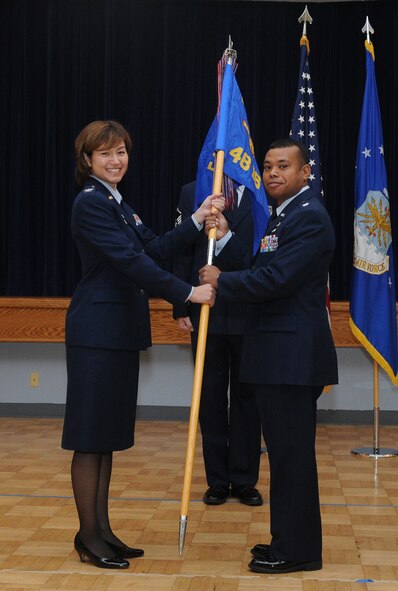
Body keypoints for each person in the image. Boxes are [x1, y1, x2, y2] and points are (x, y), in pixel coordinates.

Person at [61, 120, 224, 569]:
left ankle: (102, 531)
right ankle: (88, 537)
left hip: (117, 333)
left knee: (107, 437)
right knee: (89, 437)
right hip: (97, 333)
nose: (116, 161)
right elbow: (132, 262)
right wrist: (187, 294)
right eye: (105, 154)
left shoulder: (118, 204)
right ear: (88, 161)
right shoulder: (90, 204)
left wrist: (196, 218)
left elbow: (153, 246)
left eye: (121, 152)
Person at [199, 139, 338, 574]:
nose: (273, 173)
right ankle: (286, 539)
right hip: (278, 356)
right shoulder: (285, 214)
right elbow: (265, 272)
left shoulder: (310, 218)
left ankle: (298, 552)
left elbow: (275, 279)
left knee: (291, 457)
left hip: (291, 359)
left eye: (284, 166)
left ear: (305, 172)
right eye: (268, 166)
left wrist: (223, 280)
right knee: (282, 455)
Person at [173, 182, 263, 506]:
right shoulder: (193, 191)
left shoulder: (259, 193)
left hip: (248, 312)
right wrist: (180, 305)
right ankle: (217, 480)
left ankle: (244, 479)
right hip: (205, 311)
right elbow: (182, 249)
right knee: (209, 397)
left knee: (246, 399)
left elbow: (260, 257)